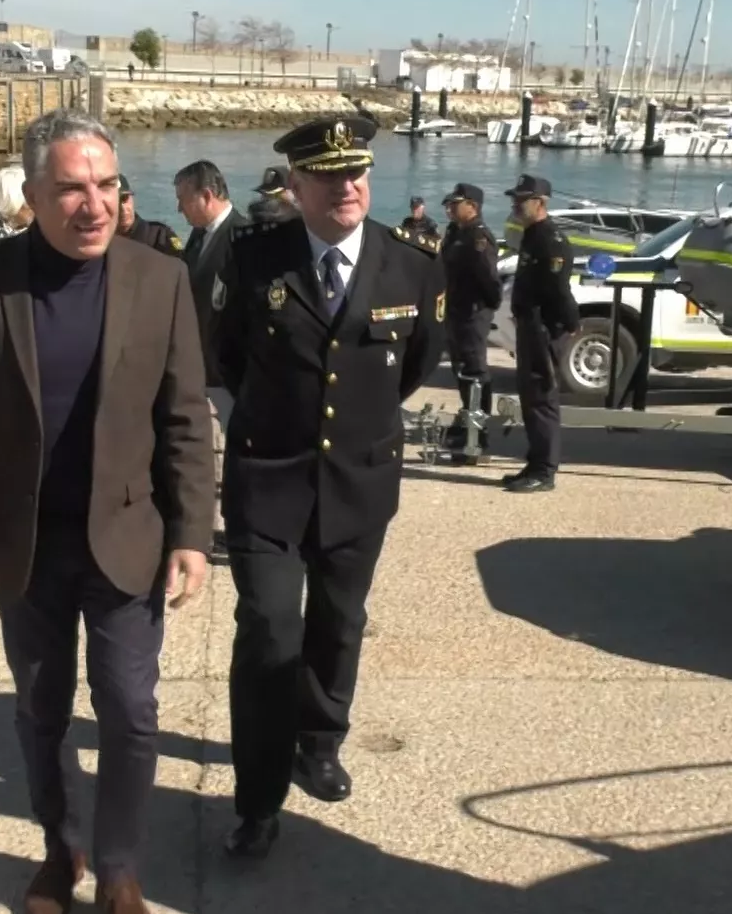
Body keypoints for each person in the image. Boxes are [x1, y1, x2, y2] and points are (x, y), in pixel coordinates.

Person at [0, 108, 215, 914]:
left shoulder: (160, 280)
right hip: (24, 545)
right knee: (41, 711)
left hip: (125, 539)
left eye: (107, 186)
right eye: (73, 189)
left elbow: (186, 416)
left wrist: (192, 531)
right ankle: (61, 848)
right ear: (33, 196)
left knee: (129, 709)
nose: (94, 205)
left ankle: (119, 871)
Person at [211, 114, 447, 859]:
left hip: (359, 481)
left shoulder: (411, 264)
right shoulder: (252, 260)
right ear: (297, 185)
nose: (348, 187)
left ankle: (319, 741)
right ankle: (258, 798)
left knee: (339, 625)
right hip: (269, 479)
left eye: (358, 172)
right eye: (330, 175)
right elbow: (225, 358)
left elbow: (415, 368)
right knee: (270, 632)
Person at [503, 174, 579, 493]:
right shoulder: (532, 235)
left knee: (542, 398)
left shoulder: (550, 239)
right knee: (530, 397)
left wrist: (566, 325)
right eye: (515, 200)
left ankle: (545, 470)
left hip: (543, 328)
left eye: (522, 201)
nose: (516, 205)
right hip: (529, 326)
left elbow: (558, 290)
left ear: (540, 202)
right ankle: (534, 463)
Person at [173, 159, 242, 434]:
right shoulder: (198, 236)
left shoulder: (241, 239)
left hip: (227, 374)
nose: (179, 208)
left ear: (207, 196)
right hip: (202, 368)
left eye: (183, 200)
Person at [436, 182, 503, 463]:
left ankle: (479, 434)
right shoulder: (455, 233)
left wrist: (483, 309)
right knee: (462, 372)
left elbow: (489, 281)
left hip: (472, 314)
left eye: (456, 204)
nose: (450, 209)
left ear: (472, 207)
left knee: (475, 373)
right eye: (449, 204)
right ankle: (466, 426)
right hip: (455, 312)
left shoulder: (478, 237)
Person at [117, 174, 184, 257]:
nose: (122, 208)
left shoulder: (161, 236)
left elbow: (182, 266)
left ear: (132, 198)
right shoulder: (101, 241)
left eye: (125, 199)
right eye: (116, 202)